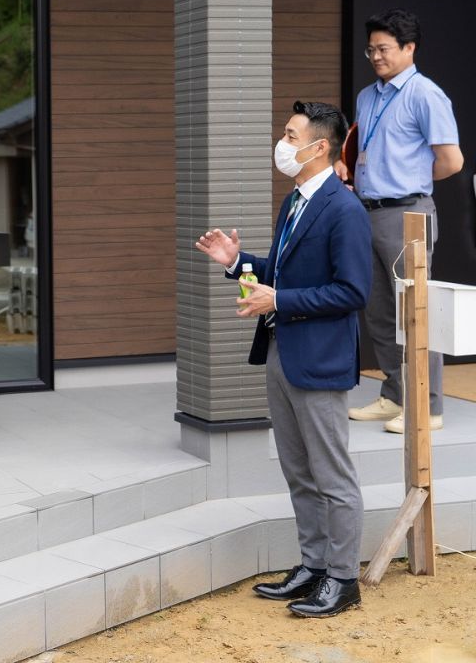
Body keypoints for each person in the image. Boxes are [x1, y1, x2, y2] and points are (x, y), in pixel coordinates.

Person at [196, 101, 371, 618]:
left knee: (331, 476)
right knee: (299, 469)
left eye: (290, 135)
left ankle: (343, 579)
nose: (282, 143)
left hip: (318, 358)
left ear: (319, 147)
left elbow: (352, 291)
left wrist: (280, 301)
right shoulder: (295, 200)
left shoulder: (344, 209)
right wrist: (239, 265)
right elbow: (282, 271)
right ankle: (314, 566)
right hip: (282, 350)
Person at [341, 9, 464, 433]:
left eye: (384, 49)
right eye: (371, 49)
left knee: (415, 310)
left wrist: (404, 178)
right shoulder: (367, 96)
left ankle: (428, 407)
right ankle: (394, 396)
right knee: (377, 310)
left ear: (409, 49)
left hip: (407, 212)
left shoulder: (426, 94)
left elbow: (452, 161)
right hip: (367, 212)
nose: (376, 57)